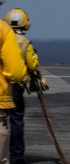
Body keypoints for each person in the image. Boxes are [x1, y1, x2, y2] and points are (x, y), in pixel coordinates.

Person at [5, 9, 47, 164]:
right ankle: (16, 156)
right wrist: (35, 57)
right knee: (16, 120)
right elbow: (33, 65)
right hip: (16, 86)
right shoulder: (25, 43)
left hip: (2, 84)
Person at [0, 0, 28, 164]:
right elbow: (16, 71)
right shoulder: (3, 30)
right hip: (4, 92)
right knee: (16, 120)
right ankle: (16, 155)